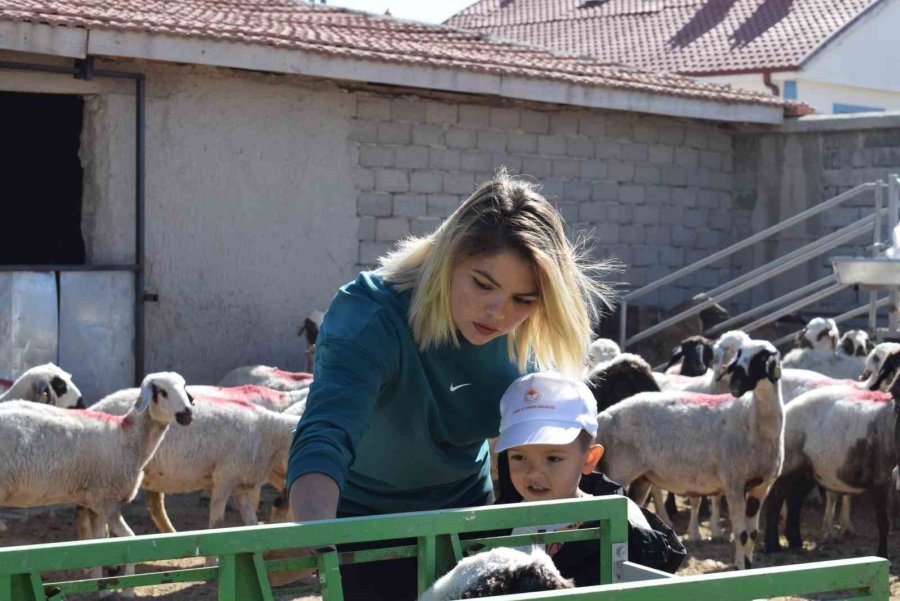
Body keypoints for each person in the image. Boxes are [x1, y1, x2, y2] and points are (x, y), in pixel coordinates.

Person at [273, 172, 613, 599]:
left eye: (523, 299)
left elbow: (551, 441)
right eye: (482, 284)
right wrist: (315, 534)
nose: (498, 312)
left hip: (468, 531)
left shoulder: (527, 336)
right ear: (448, 257)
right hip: (364, 533)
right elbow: (326, 431)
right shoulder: (369, 317)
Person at [492, 371, 686, 585]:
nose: (534, 472)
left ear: (589, 459)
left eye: (553, 459)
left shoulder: (624, 524)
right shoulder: (497, 523)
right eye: (519, 456)